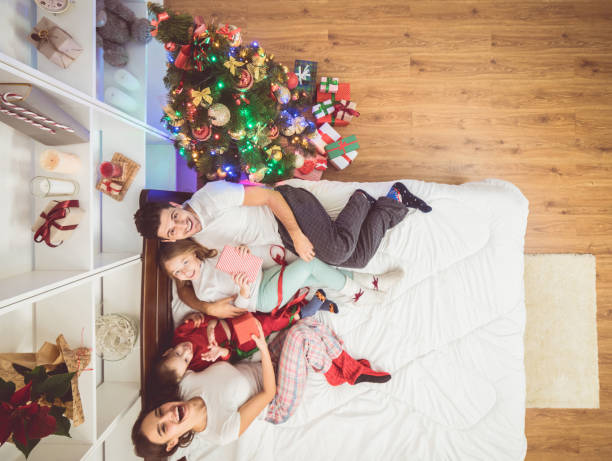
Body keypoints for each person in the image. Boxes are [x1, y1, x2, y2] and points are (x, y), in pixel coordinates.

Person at [135, 181, 430, 317]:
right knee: (360, 258)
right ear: (169, 240)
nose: (182, 225)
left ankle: (361, 200)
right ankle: (395, 198)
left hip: (287, 210)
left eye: (175, 217)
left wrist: (297, 235)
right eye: (172, 231)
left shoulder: (212, 196)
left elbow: (270, 196)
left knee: (339, 252)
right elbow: (185, 281)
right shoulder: (197, 244)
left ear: (175, 206)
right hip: (277, 241)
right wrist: (210, 304)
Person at [131, 317, 391, 457]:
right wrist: (264, 349)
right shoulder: (220, 431)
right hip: (276, 400)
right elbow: (268, 393)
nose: (167, 414)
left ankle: (333, 371)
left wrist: (206, 323)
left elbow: (185, 349)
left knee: (306, 323)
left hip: (264, 364)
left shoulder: (185, 384)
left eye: (158, 412)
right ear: (172, 442)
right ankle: (347, 370)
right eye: (164, 427)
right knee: (302, 337)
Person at [159, 240, 402, 325]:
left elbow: (254, 266)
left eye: (183, 263)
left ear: (191, 252)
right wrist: (243, 291)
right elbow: (240, 308)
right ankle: (360, 294)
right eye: (177, 273)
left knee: (316, 273)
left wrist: (246, 253)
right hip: (262, 298)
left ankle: (374, 281)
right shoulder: (203, 290)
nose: (184, 271)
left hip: (266, 276)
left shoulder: (215, 256)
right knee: (309, 264)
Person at [155, 289, 336, 380]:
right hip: (238, 340)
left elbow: (198, 318)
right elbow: (228, 357)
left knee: (269, 309)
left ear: (167, 351)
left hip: (229, 318)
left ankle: (313, 305)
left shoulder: (180, 335)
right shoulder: (198, 364)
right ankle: (303, 314)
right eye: (185, 360)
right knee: (268, 323)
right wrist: (220, 352)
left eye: (178, 353)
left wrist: (206, 323)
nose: (186, 351)